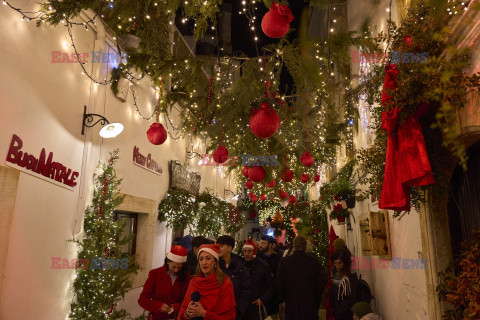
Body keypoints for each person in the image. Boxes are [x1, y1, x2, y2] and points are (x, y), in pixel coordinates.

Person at [178, 244, 236, 320]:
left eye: (208, 258)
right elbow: (183, 312)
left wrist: (205, 314)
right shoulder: (194, 282)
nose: (204, 262)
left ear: (215, 262)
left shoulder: (225, 283)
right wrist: (187, 314)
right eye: (201, 259)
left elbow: (230, 317)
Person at [276, 236, 327, 320]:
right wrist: (315, 296)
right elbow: (322, 281)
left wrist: (284, 297)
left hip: (291, 304)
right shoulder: (313, 261)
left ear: (294, 246)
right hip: (310, 303)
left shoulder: (285, 262)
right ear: (305, 245)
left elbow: (279, 283)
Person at [139, 245, 191, 320]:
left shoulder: (186, 276)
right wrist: (159, 306)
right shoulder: (155, 274)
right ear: (168, 262)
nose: (176, 270)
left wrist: (177, 307)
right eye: (174, 267)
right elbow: (142, 300)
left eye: (179, 267)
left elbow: (187, 299)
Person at [217, 235, 252, 319]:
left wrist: (239, 309)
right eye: (217, 246)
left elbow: (246, 290)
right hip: (217, 311)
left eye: (221, 246)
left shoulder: (240, 266)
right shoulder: (215, 265)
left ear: (229, 248)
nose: (218, 248)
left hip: (236, 312)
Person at [242, 239, 276, 320]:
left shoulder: (263, 266)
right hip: (244, 307)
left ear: (254, 252)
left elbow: (271, 286)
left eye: (249, 251)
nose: (246, 254)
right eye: (245, 251)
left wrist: (263, 299)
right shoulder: (241, 265)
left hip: (258, 307)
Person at [330, 248, 360, 320]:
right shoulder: (336, 276)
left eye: (339, 263)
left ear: (345, 263)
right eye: (335, 263)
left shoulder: (348, 280)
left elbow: (348, 302)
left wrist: (338, 312)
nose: (337, 266)